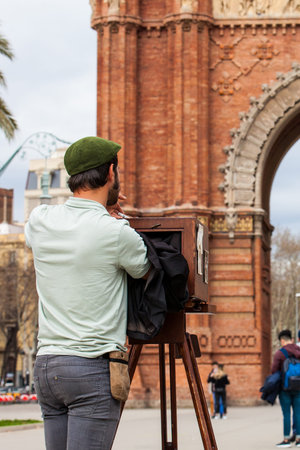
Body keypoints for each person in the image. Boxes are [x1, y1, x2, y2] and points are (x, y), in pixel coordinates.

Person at [25, 136, 151, 450]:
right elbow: (144, 269)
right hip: (91, 369)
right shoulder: (117, 232)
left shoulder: (40, 221)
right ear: (111, 173)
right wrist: (113, 214)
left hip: (47, 366)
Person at [272, 329, 300, 448]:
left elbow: (274, 370)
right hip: (299, 388)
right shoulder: (299, 350)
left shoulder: (280, 353)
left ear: (282, 340)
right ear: (292, 339)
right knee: (298, 413)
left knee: (287, 414)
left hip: (285, 388)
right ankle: (299, 438)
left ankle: (286, 439)